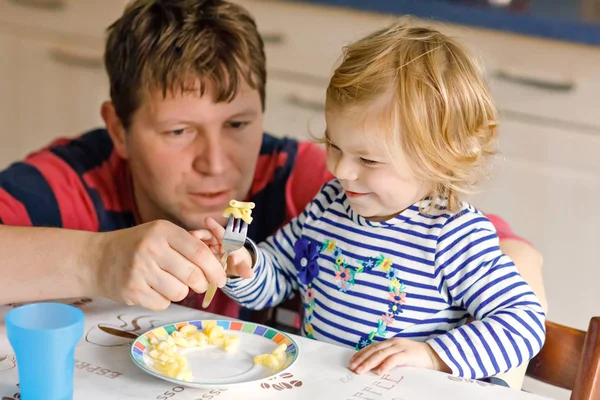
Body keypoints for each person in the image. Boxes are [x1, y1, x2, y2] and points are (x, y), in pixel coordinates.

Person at [0, 0, 546, 383]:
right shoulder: (71, 183)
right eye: (178, 131)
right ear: (119, 130)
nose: (215, 163)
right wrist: (99, 259)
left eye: (238, 125)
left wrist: (441, 359)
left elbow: (518, 271)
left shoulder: (324, 181)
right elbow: (275, 273)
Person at [195, 20, 546, 382]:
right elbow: (277, 278)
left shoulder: (452, 236)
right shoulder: (329, 206)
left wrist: (431, 354)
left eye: (368, 160)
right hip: (320, 387)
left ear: (437, 160)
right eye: (334, 145)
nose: (341, 170)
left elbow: (523, 323)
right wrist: (243, 262)